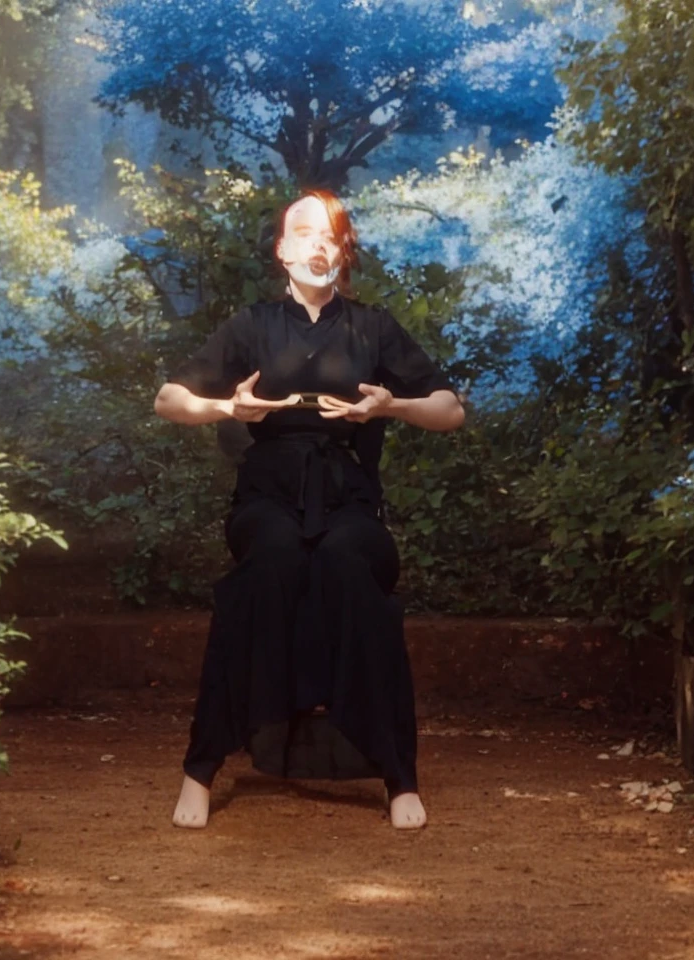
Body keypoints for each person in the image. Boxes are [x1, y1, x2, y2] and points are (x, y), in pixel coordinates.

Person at [153, 190, 464, 830]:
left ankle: (398, 775)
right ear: (282, 251)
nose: (318, 245)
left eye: (331, 235)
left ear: (341, 251)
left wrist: (390, 407)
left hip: (349, 496)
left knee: (350, 567)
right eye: (304, 233)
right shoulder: (251, 326)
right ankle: (201, 767)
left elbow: (450, 410)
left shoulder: (373, 327)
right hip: (267, 496)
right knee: (270, 565)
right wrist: (226, 410)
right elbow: (168, 400)